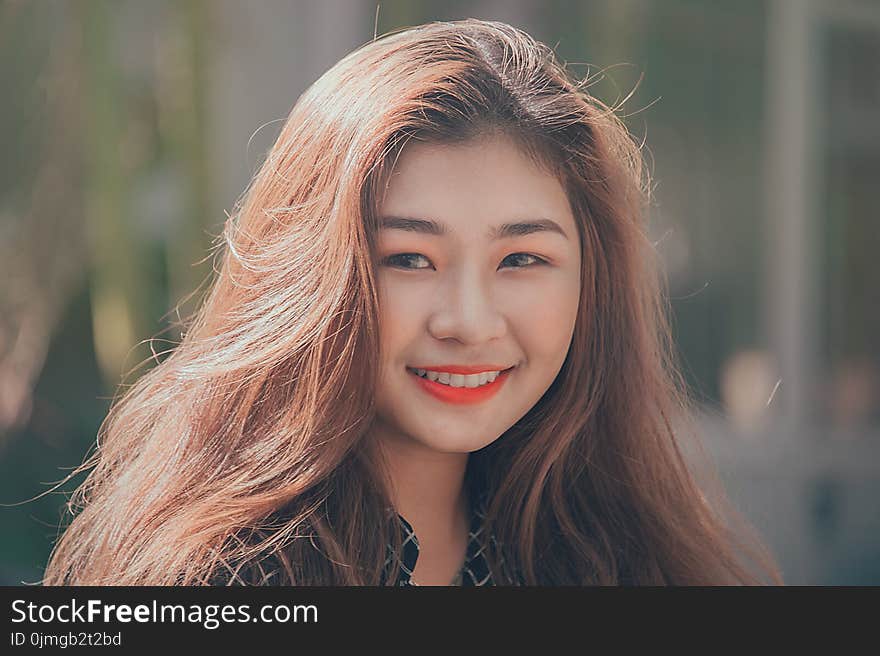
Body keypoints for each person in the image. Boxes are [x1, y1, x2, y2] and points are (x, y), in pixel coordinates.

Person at [42, 19, 783, 586]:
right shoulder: (211, 580)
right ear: (310, 279)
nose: (466, 320)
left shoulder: (633, 561)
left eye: (522, 259)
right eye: (408, 259)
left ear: (593, 282)